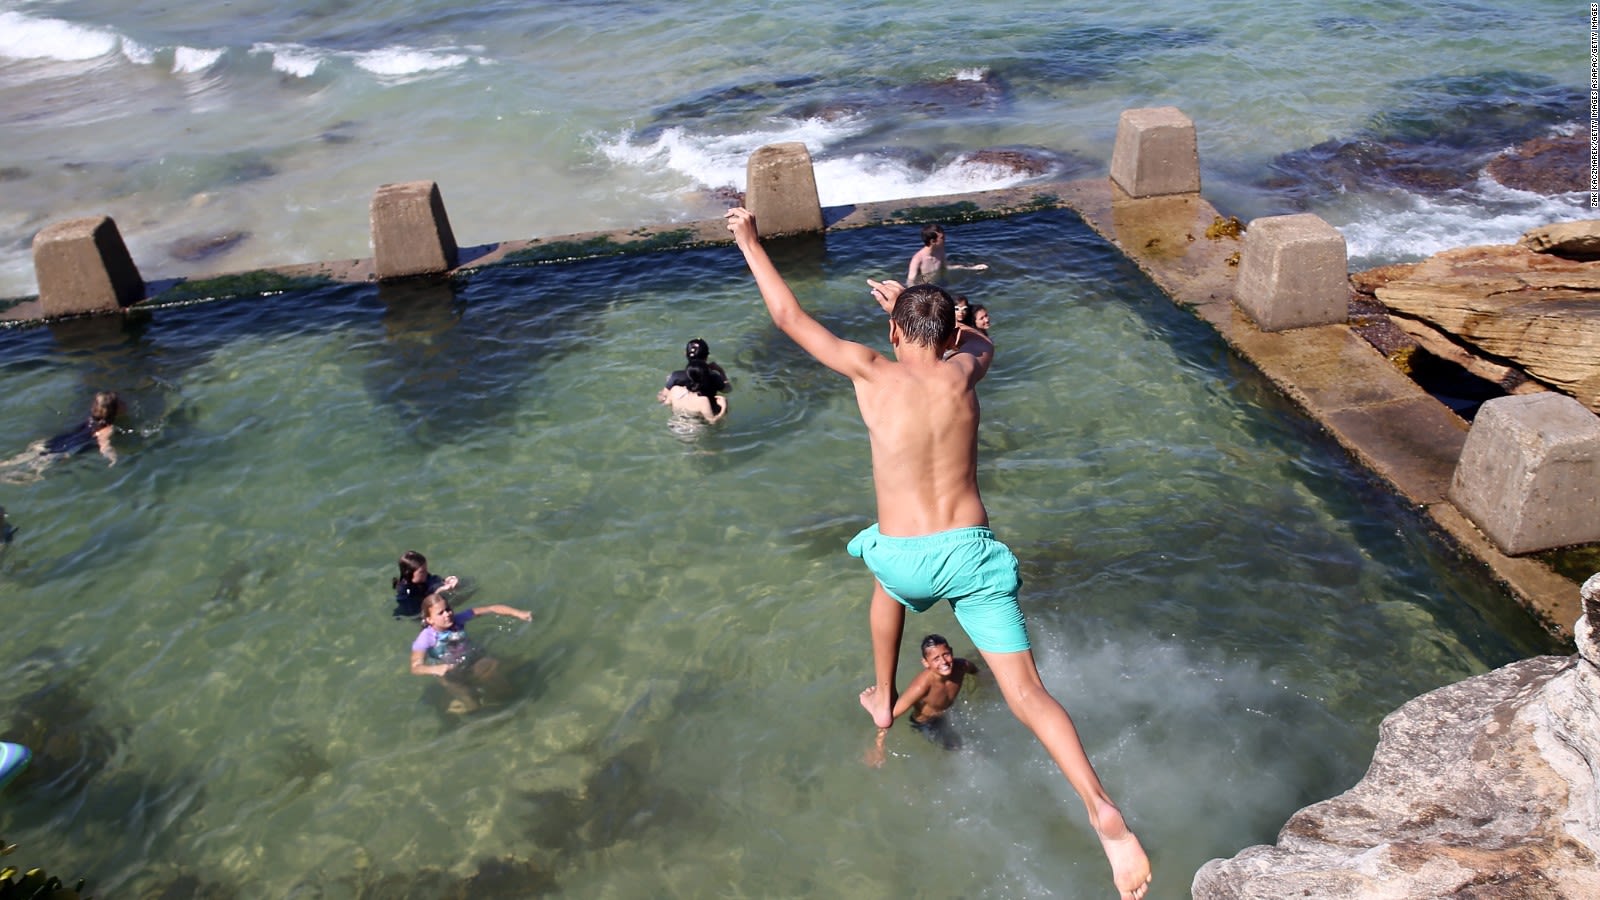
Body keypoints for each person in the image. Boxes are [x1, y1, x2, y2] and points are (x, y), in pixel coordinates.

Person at [726, 206, 1150, 900]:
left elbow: (788, 317)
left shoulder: (870, 370)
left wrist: (748, 239)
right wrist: (945, 320)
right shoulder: (965, 372)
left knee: (884, 581)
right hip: (973, 554)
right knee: (1028, 693)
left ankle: (884, 700)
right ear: (948, 334)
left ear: (893, 333)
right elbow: (978, 335)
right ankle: (1101, 809)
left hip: (904, 557)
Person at [864, 634, 979, 764]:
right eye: (936, 659)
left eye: (946, 654)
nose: (943, 662)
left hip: (950, 709)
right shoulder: (921, 686)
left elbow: (976, 671)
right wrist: (878, 747)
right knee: (958, 747)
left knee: (977, 736)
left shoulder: (961, 666)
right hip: (928, 721)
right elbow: (891, 715)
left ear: (951, 651)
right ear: (926, 663)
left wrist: (985, 683)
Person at [409, 592, 532, 713]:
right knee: (472, 705)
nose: (447, 614)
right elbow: (415, 667)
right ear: (430, 619)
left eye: (448, 609)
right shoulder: (426, 638)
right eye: (440, 613)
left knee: (502, 679)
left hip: (473, 660)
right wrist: (436, 669)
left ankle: (513, 704)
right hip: (450, 674)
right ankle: (452, 708)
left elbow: (492, 608)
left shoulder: (458, 620)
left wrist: (519, 614)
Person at [0, 391, 122, 484]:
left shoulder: (89, 419)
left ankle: (4, 465)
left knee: (23, 457)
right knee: (37, 473)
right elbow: (104, 445)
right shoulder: (106, 429)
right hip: (66, 449)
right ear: (114, 411)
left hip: (56, 441)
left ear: (93, 408)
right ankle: (6, 478)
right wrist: (113, 458)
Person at [906, 224, 988, 285]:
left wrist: (971, 268)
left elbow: (945, 268)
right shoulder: (917, 259)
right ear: (932, 241)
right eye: (942, 238)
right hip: (925, 288)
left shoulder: (940, 251)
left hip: (939, 283)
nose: (945, 240)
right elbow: (911, 281)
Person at [657, 357, 728, 424]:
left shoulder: (675, 389)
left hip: (674, 425)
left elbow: (666, 403)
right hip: (693, 432)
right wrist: (724, 408)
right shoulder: (703, 400)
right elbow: (712, 421)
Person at [392, 550, 459, 618]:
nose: (426, 573)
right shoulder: (406, 591)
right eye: (422, 572)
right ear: (409, 574)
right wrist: (437, 592)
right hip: (416, 613)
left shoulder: (424, 577)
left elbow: (432, 581)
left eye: (426, 569)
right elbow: (417, 610)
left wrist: (444, 582)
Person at [664, 338, 730, 395]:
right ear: (707, 356)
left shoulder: (676, 376)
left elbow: (662, 397)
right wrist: (721, 371)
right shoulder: (714, 378)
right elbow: (727, 390)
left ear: (685, 354)